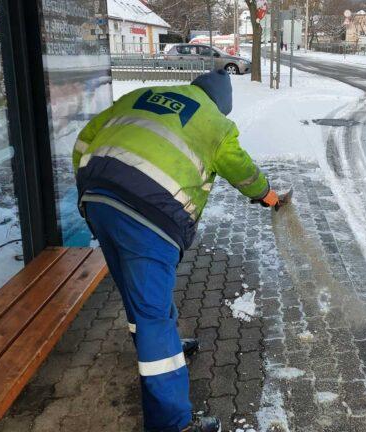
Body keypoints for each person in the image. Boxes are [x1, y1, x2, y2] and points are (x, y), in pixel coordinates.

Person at [73, 70, 282, 432]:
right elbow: (241, 170)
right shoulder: (217, 123)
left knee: (138, 296)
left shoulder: (144, 94)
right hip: (150, 215)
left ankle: (157, 342)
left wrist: (91, 186)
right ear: (222, 104)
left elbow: (85, 138)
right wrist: (266, 194)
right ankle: (172, 423)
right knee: (154, 315)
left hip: (98, 199)